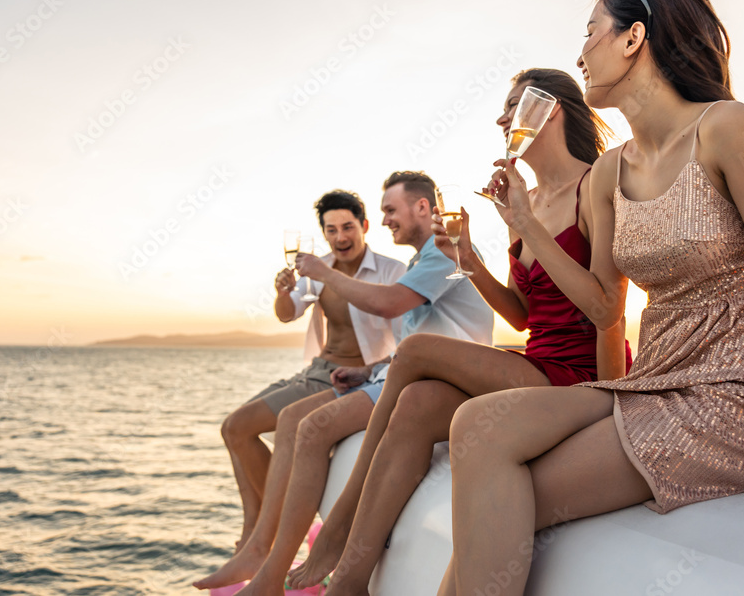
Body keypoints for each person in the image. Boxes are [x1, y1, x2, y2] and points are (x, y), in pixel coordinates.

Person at [439, 0, 744, 596]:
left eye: (590, 30)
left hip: (743, 394)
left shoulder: (727, 129)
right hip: (656, 380)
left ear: (633, 38)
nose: (580, 53)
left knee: (509, 494)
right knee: (476, 427)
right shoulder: (606, 175)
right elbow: (603, 308)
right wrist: (526, 224)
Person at [287, 69, 635, 595]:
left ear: (551, 109)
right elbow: (522, 315)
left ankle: (338, 524)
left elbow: (607, 306)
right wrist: (470, 256)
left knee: (418, 350)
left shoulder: (597, 180)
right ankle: (350, 580)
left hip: (581, 373)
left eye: (514, 105)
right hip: (538, 358)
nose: (501, 116)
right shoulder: (526, 202)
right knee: (418, 402)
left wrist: (525, 221)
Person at [193, 171, 493, 591]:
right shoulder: (421, 260)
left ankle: (276, 566)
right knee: (269, 423)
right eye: (330, 229)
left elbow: (390, 306)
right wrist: (369, 370)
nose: (387, 219)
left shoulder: (443, 254)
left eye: (390, 210)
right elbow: (409, 340)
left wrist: (325, 271)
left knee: (309, 426)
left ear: (421, 207)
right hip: (385, 374)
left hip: (434, 382)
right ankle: (262, 550)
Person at [219, 190, 404, 551]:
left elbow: (405, 333)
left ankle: (260, 536)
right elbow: (288, 313)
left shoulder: (390, 271)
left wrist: (374, 372)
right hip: (316, 368)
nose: (340, 237)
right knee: (234, 428)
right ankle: (260, 527)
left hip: (354, 376)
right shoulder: (319, 270)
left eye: (347, 227)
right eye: (331, 230)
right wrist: (282, 293)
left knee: (239, 427)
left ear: (365, 226)